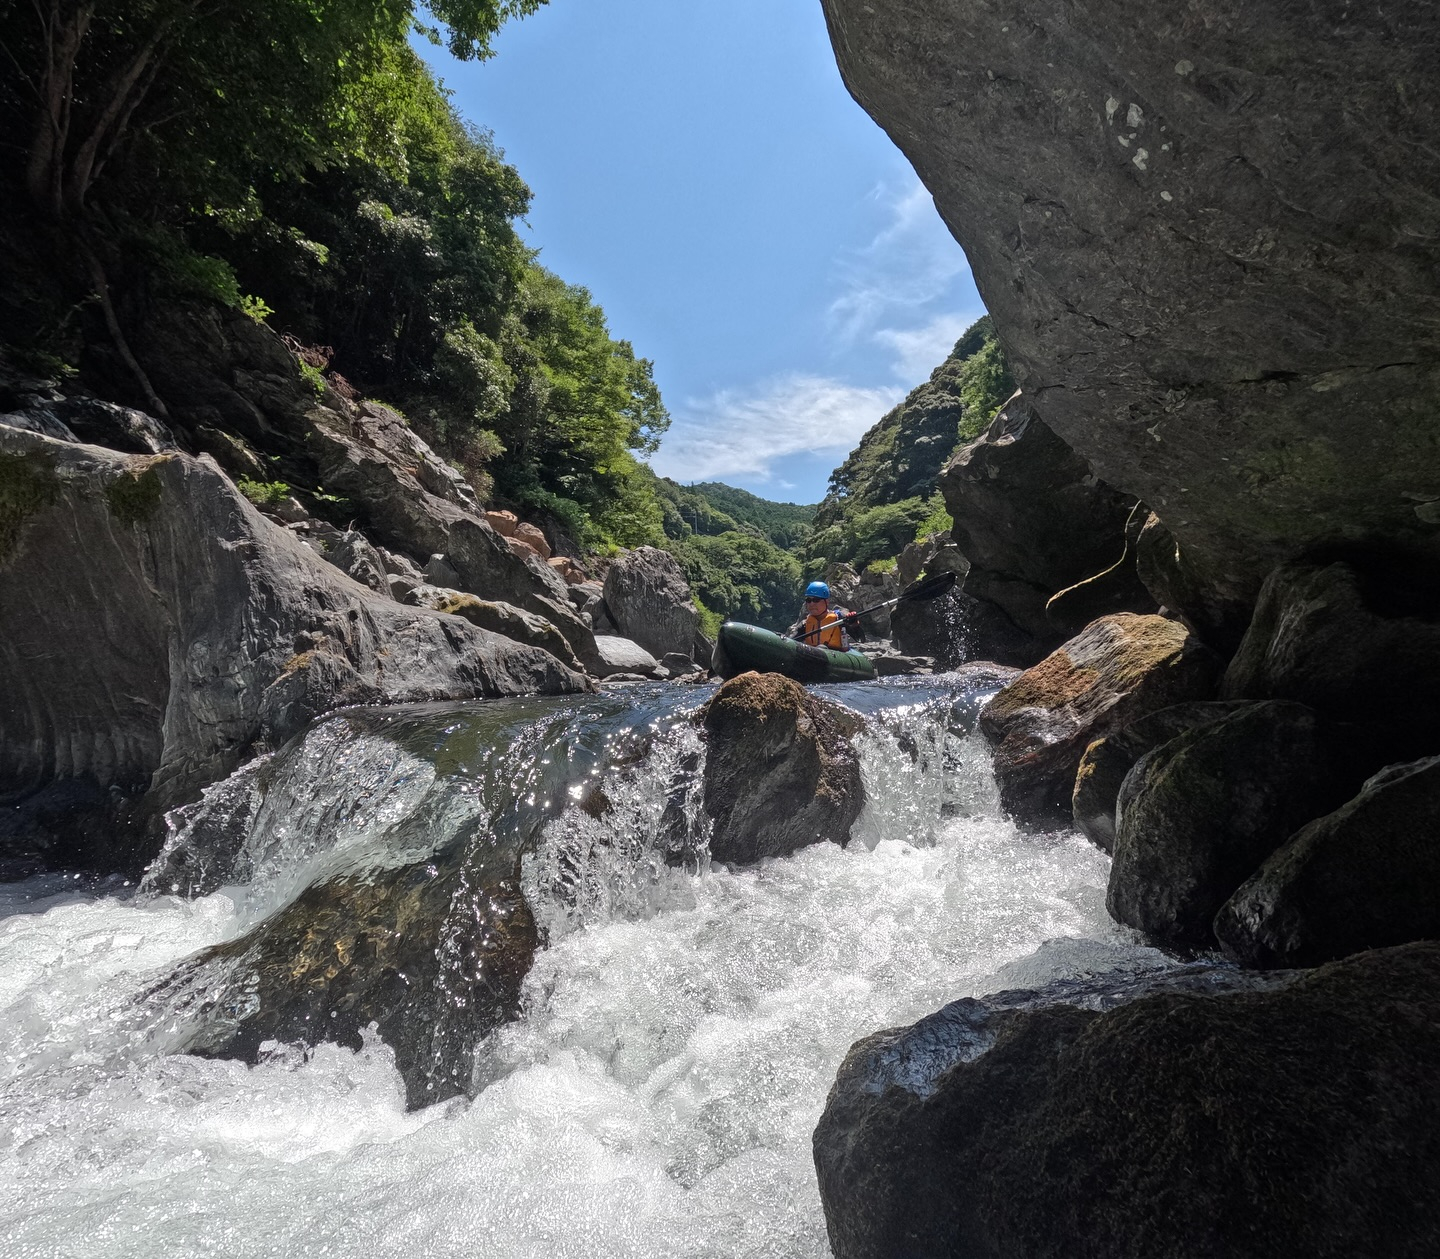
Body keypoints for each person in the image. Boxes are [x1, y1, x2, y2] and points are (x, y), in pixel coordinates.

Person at [793, 580, 851, 651]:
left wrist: (854, 623)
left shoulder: (839, 618)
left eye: (816, 600)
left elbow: (860, 638)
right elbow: (791, 641)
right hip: (813, 657)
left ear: (826, 602)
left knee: (822, 647)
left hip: (836, 657)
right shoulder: (805, 623)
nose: (811, 604)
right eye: (808, 600)